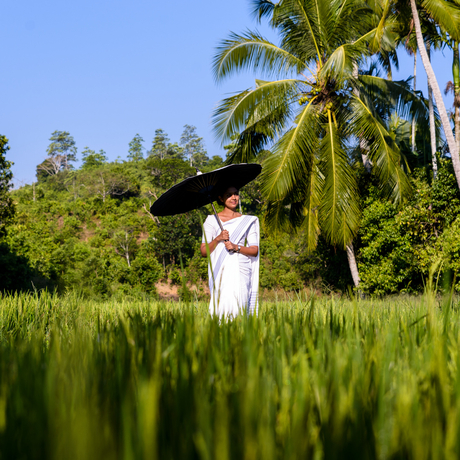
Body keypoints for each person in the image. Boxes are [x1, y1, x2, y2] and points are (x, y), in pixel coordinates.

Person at [200, 186, 260, 318]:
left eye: (236, 194)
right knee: (221, 307)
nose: (234, 198)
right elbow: (204, 251)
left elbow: (254, 250)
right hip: (220, 270)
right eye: (229, 194)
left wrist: (236, 247)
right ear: (221, 198)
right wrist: (218, 239)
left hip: (240, 270)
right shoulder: (211, 220)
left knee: (240, 307)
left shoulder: (247, 221)